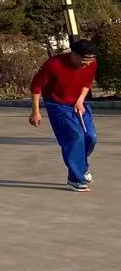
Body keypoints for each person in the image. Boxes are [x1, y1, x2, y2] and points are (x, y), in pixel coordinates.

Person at [30, 39, 99, 191]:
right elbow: (36, 86)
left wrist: (80, 100)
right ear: (74, 54)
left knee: (91, 137)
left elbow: (87, 83)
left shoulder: (91, 63)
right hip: (58, 104)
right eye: (84, 61)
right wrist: (35, 111)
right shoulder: (54, 65)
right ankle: (75, 179)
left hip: (78, 102)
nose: (87, 64)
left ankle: (81, 166)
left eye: (90, 61)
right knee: (74, 137)